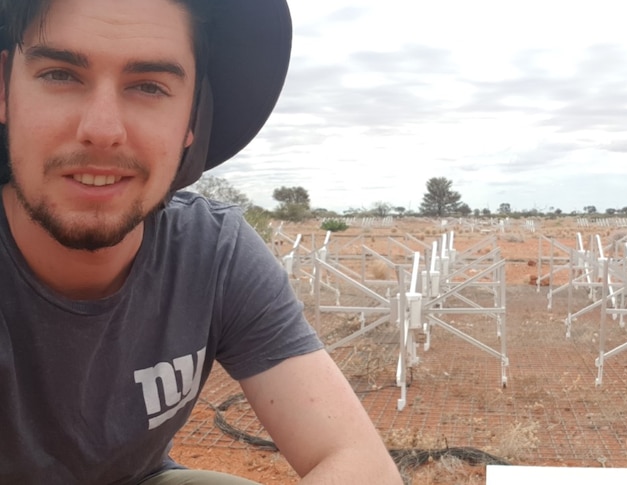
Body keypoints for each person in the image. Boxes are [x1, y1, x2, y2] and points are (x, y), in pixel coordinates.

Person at [0, 0, 402, 483]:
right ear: (4, 89)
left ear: (192, 117)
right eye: (60, 75)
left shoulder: (211, 251)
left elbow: (356, 459)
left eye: (148, 86)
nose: (102, 130)